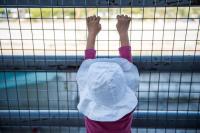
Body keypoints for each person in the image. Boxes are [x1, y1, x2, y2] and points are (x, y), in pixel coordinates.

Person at [76, 15, 140, 133]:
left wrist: (91, 33)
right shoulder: (126, 111)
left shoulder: (90, 112)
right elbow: (127, 64)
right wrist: (123, 32)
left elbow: (87, 63)